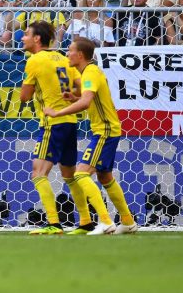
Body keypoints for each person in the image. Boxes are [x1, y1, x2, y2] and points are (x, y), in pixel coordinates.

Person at [43, 38, 139, 235]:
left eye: (70, 51)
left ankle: (105, 222)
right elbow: (90, 98)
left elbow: (86, 102)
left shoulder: (90, 72)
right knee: (105, 177)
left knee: (80, 173)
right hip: (107, 129)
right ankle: (128, 222)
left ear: (80, 55)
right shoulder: (90, 72)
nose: (67, 54)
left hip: (104, 130)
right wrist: (75, 97)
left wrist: (57, 113)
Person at [19, 21, 91, 235]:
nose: (22, 38)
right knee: (69, 175)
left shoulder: (34, 60)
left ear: (37, 39)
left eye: (26, 34)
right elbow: (80, 87)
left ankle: (53, 222)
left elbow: (24, 97)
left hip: (52, 123)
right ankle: (86, 221)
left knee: (38, 173)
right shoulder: (63, 57)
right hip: (70, 122)